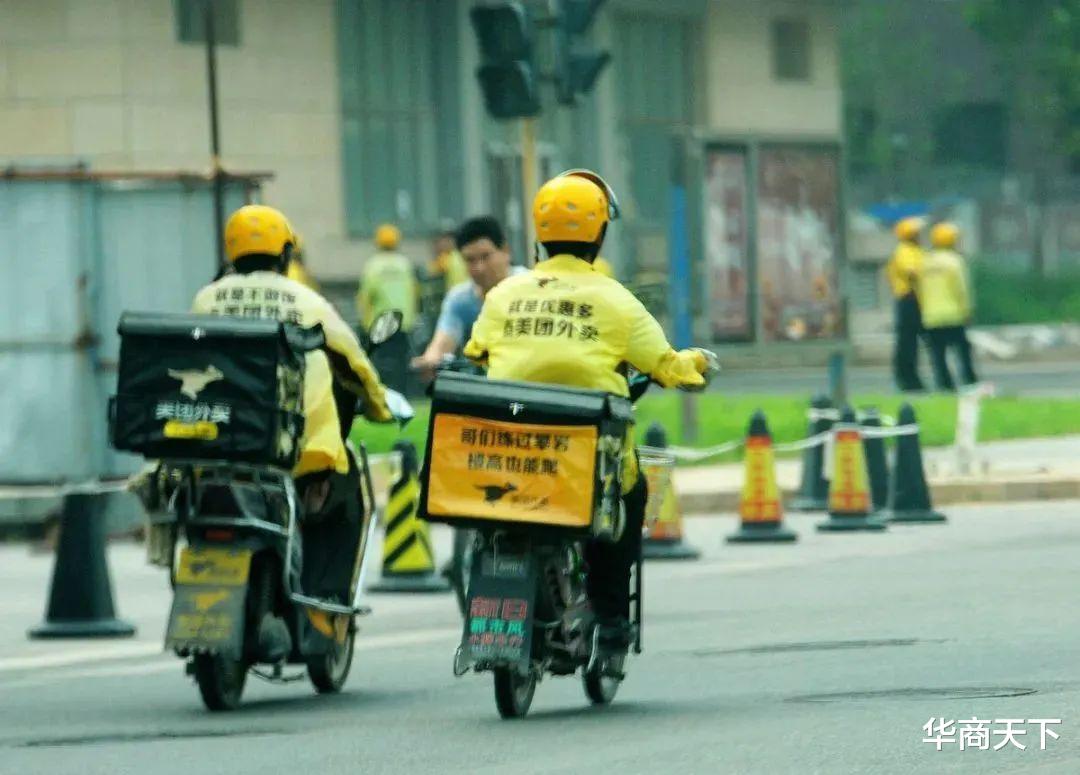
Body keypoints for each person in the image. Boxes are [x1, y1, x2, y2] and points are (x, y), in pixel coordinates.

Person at [463, 171, 716, 651]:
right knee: (628, 497)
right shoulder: (616, 300)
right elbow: (666, 365)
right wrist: (698, 364)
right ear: (600, 233)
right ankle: (614, 622)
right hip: (586, 459)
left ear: (538, 234)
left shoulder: (503, 296)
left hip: (508, 453)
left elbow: (477, 350)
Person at [192, 205, 392, 512]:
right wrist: (379, 407)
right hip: (291, 446)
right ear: (285, 255)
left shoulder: (206, 299)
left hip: (218, 437)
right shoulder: (307, 301)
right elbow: (355, 362)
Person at [411, 216, 526, 377]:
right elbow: (442, 344)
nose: (479, 268)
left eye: (486, 257)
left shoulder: (530, 286)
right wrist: (429, 362)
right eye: (470, 260)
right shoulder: (461, 300)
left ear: (505, 251)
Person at [356, 223, 419, 393]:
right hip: (403, 323)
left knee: (381, 363)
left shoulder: (373, 266)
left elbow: (365, 297)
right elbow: (413, 293)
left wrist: (364, 324)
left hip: (381, 322)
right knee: (401, 363)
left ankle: (384, 397)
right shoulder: (405, 264)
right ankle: (402, 395)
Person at [919, 222, 978, 391]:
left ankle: (944, 384)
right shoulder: (955, 261)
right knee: (962, 350)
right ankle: (969, 381)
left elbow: (920, 290)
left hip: (931, 316)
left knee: (938, 354)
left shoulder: (925, 262)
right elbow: (962, 289)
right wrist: (967, 311)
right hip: (953, 314)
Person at [886, 216, 927, 392]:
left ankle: (912, 378)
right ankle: (906, 379)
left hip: (918, 300)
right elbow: (912, 272)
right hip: (908, 299)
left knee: (913, 342)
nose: (920, 234)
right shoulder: (904, 251)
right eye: (917, 232)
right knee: (907, 342)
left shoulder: (916, 250)